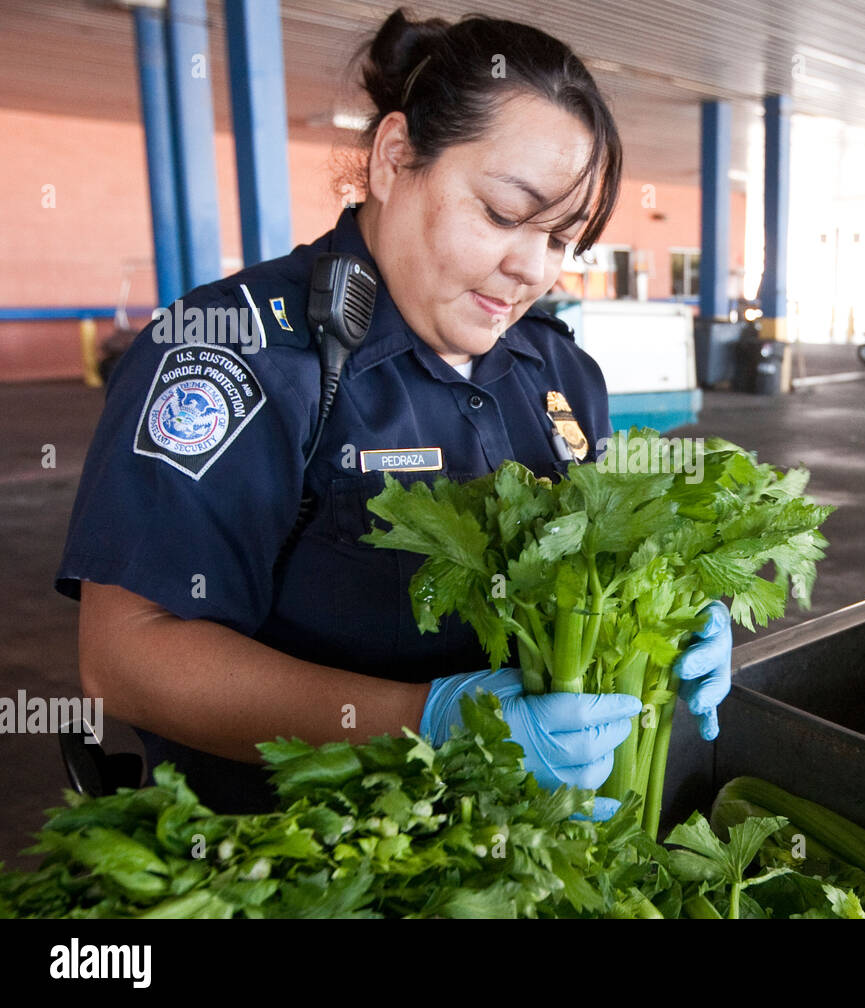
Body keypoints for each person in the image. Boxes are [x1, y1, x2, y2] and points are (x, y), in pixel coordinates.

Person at [56, 11, 730, 816]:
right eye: (504, 215)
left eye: (563, 239)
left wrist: (678, 618)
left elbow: (601, 564)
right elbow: (128, 657)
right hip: (299, 857)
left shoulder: (557, 370)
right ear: (394, 157)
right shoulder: (239, 355)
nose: (530, 269)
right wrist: (429, 724)